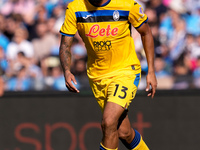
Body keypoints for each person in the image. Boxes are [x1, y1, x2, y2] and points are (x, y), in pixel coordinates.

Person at [59, 0, 157, 149]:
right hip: (97, 76)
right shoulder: (75, 8)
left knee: (109, 122)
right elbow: (66, 43)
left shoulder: (126, 4)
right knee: (123, 132)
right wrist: (66, 71)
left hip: (125, 71)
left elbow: (146, 32)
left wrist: (151, 71)